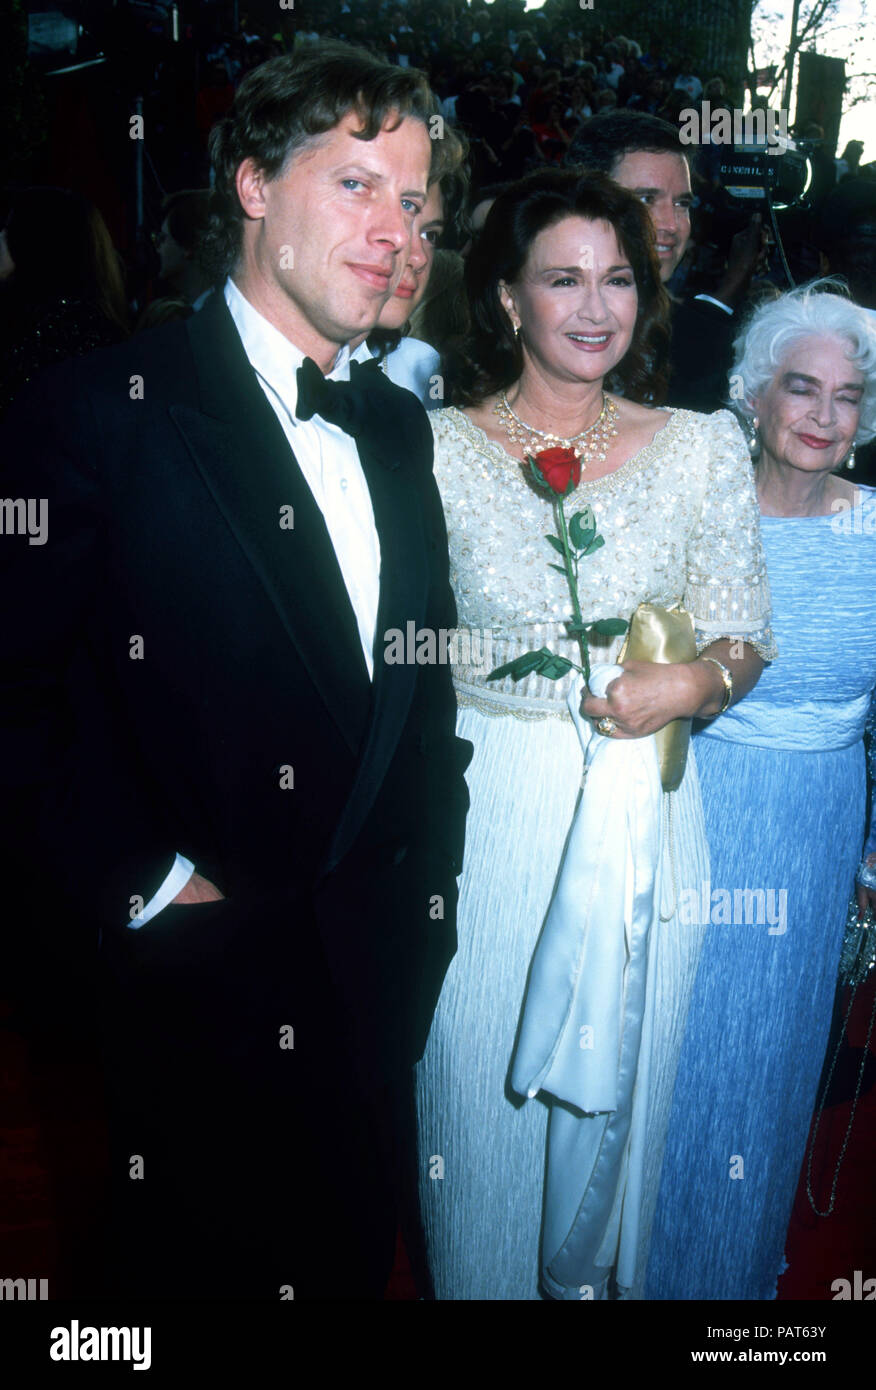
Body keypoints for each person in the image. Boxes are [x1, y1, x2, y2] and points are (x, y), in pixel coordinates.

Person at [0, 43, 471, 1301]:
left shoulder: (395, 423)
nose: (396, 231)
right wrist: (138, 885)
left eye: (415, 201)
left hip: (371, 991)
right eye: (359, 185)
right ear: (255, 184)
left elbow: (418, 708)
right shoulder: (96, 411)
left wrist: (429, 909)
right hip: (187, 1002)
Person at [415, 168, 777, 1300]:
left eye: (618, 278)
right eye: (561, 278)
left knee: (618, 1100)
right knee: (477, 1109)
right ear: (509, 300)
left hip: (647, 812)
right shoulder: (428, 448)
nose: (594, 305)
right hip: (485, 816)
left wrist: (692, 687)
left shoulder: (702, 442)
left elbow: (745, 635)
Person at [646, 281, 876, 1300]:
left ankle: (724, 1278)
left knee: (770, 1062)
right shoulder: (695, 509)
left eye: (850, 396)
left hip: (819, 825)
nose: (825, 417)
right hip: (694, 806)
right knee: (670, 1047)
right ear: (753, 393)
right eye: (802, 388)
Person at [565, 111, 766, 412]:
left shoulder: (704, 349)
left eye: (682, 203)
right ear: (581, 201)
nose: (671, 225)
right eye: (646, 199)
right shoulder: (530, 326)